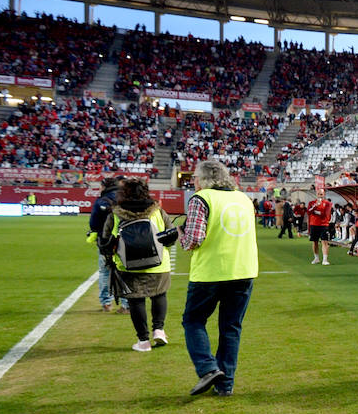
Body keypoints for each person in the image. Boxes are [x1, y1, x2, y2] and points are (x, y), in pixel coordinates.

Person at [179, 160, 258, 398]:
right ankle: (226, 385)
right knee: (231, 328)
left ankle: (207, 368)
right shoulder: (243, 199)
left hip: (211, 272)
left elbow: (193, 239)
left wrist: (179, 235)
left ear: (203, 179)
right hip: (243, 270)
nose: (193, 182)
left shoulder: (201, 199)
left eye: (194, 178)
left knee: (193, 321)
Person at [105, 178, 172, 352]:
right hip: (158, 264)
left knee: (136, 300)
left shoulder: (116, 213)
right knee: (159, 295)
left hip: (128, 265)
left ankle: (143, 341)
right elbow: (170, 237)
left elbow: (106, 240)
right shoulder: (157, 211)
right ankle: (159, 330)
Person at [88, 175, 128, 314]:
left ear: (104, 186)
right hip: (124, 241)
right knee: (124, 272)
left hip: (105, 242)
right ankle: (126, 305)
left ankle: (106, 303)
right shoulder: (125, 199)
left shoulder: (101, 201)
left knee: (105, 272)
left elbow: (93, 223)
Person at [307, 187, 333, 265]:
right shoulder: (311, 203)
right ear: (316, 194)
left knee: (324, 242)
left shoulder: (328, 203)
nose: (320, 195)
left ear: (324, 194)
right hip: (314, 224)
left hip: (324, 225)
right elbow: (308, 212)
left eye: (321, 194)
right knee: (315, 242)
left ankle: (325, 259)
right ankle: (316, 258)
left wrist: (315, 212)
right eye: (318, 194)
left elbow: (325, 214)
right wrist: (315, 206)